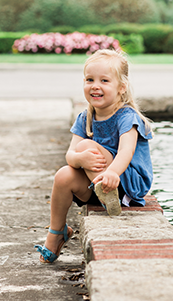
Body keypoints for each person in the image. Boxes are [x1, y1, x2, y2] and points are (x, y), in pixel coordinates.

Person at [35, 49, 154, 263]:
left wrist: (112, 173)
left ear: (121, 88)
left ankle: (110, 194)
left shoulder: (127, 117)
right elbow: (71, 155)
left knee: (88, 145)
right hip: (97, 182)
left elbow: (127, 151)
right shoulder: (85, 117)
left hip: (125, 182)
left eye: (104, 80)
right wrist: (79, 160)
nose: (95, 85)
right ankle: (57, 231)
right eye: (89, 79)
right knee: (63, 175)